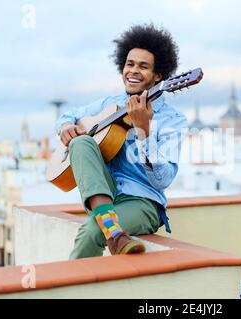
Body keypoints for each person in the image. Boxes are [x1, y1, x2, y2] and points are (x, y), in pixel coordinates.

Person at [55, 24, 188, 258]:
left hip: (143, 201)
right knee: (79, 142)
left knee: (91, 231)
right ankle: (114, 232)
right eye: (130, 64)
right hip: (105, 192)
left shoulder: (172, 120)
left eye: (143, 66)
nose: (133, 71)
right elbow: (68, 115)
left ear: (158, 76)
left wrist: (144, 131)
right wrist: (66, 127)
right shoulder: (111, 103)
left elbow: (163, 180)